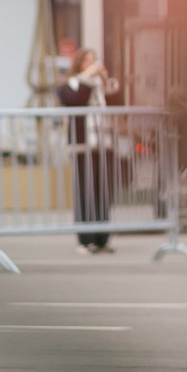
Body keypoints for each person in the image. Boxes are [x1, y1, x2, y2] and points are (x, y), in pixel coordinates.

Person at [56, 44, 120, 252]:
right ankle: (86, 240)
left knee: (102, 191)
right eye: (87, 60)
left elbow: (117, 102)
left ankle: (103, 239)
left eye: (94, 60)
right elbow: (76, 100)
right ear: (79, 63)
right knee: (85, 191)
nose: (92, 64)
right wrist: (87, 77)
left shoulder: (98, 84)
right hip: (82, 145)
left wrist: (106, 81)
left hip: (103, 144)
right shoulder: (73, 83)